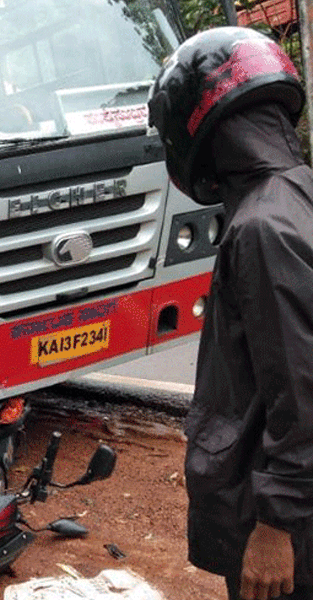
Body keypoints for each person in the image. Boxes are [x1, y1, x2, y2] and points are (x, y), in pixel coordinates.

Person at [148, 27, 313, 600]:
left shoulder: (261, 228)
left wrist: (275, 525)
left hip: (281, 527)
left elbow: (300, 390)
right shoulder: (298, 195)